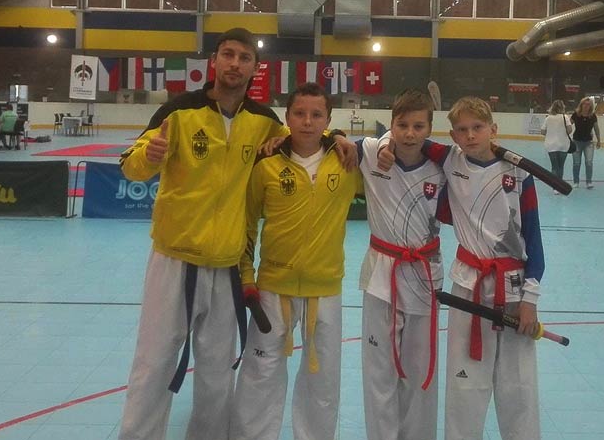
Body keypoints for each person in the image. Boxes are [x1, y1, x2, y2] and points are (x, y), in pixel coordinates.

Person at [116, 28, 355, 440]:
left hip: (227, 265)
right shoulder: (179, 111)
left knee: (218, 371)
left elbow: (304, 135)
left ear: (255, 68)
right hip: (175, 258)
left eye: (245, 58)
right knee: (154, 363)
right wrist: (148, 157)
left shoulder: (263, 122)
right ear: (214, 61)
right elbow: (131, 164)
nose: (235, 64)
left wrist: (338, 137)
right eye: (228, 54)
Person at [232, 83, 361, 440]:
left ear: (328, 121)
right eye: (299, 114)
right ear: (286, 118)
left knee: (323, 380)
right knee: (260, 374)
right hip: (273, 287)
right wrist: (246, 276)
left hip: (326, 288)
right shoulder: (266, 164)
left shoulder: (348, 162)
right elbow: (246, 223)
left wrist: (341, 138)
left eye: (317, 115)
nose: (307, 121)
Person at [415, 97, 544, 440]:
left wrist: (530, 300)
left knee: (518, 386)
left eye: (478, 127)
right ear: (453, 136)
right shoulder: (450, 160)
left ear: (493, 129)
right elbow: (408, 137)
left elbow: (534, 240)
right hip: (468, 286)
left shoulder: (519, 173)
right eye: (462, 129)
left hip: (513, 287)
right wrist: (379, 147)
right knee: (465, 384)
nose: (470, 135)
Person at [357, 89, 445, 440]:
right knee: (378, 372)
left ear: (429, 128)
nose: (410, 133)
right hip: (381, 277)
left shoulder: (443, 166)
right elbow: (335, 140)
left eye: (418, 126)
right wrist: (382, 143)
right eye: (402, 125)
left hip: (425, 276)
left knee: (419, 373)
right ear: (391, 124)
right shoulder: (370, 153)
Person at [570, 97, 601, 189]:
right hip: (576, 142)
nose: (586, 106)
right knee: (576, 163)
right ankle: (576, 182)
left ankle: (589, 182)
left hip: (588, 143)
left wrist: (599, 140)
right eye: (585, 104)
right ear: (581, 104)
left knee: (589, 162)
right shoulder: (576, 114)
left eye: (588, 104)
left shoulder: (593, 116)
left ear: (591, 106)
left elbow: (596, 128)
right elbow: (568, 125)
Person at [541, 100, 572, 191]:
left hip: (551, 145)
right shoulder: (565, 117)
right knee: (561, 166)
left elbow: (543, 132)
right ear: (562, 107)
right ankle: (560, 185)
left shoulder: (548, 118)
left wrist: (551, 132)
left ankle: (554, 186)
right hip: (563, 145)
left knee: (554, 167)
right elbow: (569, 130)